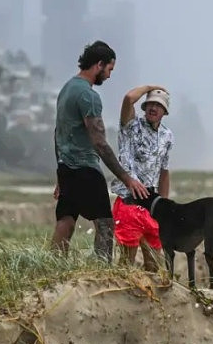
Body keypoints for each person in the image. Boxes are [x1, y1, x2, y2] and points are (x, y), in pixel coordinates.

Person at [51, 40, 148, 261]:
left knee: (65, 220)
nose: (109, 76)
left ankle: (52, 267)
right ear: (99, 64)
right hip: (86, 169)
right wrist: (126, 178)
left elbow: (58, 133)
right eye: (110, 70)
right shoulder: (89, 96)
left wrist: (60, 174)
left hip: (66, 167)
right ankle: (102, 271)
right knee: (105, 223)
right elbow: (100, 143)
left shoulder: (66, 89)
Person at [111, 85, 174, 271]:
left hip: (152, 203)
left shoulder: (167, 136)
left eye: (159, 105)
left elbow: (164, 171)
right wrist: (150, 87)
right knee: (126, 264)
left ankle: (149, 298)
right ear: (144, 107)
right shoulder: (130, 126)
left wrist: (165, 206)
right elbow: (128, 98)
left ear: (165, 111)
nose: (154, 108)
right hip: (129, 201)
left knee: (154, 265)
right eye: (150, 104)